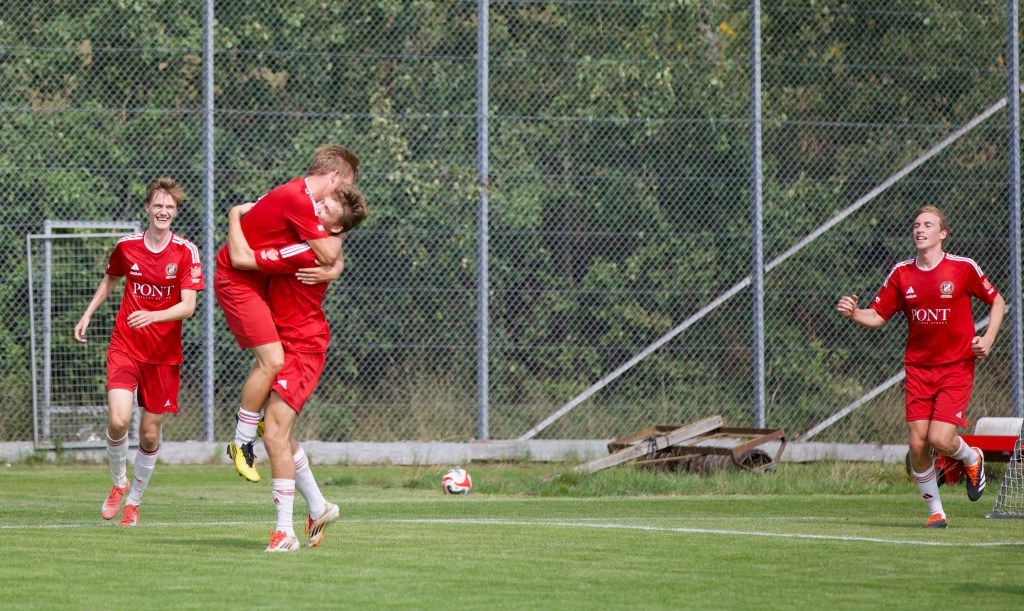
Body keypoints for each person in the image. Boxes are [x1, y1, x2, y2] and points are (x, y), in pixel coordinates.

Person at [836, 205, 1005, 528]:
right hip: (918, 368)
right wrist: (854, 313)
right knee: (917, 443)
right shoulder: (902, 273)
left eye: (928, 224)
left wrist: (988, 338)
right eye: (916, 224)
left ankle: (972, 457)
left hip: (956, 366)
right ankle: (936, 512)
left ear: (943, 234)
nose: (920, 229)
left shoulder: (962, 268)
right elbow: (878, 315)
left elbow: (997, 301)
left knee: (940, 439)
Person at [226, 184, 368, 551]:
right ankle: (319, 507)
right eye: (320, 202)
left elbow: (241, 258)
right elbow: (334, 247)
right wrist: (336, 264)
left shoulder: (302, 251)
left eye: (326, 209)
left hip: (302, 349)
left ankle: (284, 533)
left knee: (273, 434)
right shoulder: (314, 241)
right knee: (281, 434)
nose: (315, 208)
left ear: (335, 227)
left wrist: (234, 214)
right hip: (287, 344)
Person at [215, 145, 360, 483]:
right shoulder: (301, 201)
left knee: (279, 422)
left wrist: (335, 265)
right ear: (335, 176)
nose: (349, 191)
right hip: (238, 280)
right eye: (348, 184)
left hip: (257, 283)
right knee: (272, 361)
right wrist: (233, 216)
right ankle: (241, 442)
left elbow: (332, 246)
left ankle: (318, 506)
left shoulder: (301, 200)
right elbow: (328, 249)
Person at [73, 177, 204, 526]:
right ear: (147, 208)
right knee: (118, 421)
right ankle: (119, 483)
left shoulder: (186, 252)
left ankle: (134, 501)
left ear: (175, 212)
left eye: (169, 207)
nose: (163, 211)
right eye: (158, 205)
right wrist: (87, 314)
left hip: (163, 355)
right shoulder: (127, 246)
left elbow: (188, 306)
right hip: (125, 345)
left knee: (148, 433)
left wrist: (154, 315)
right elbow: (111, 278)